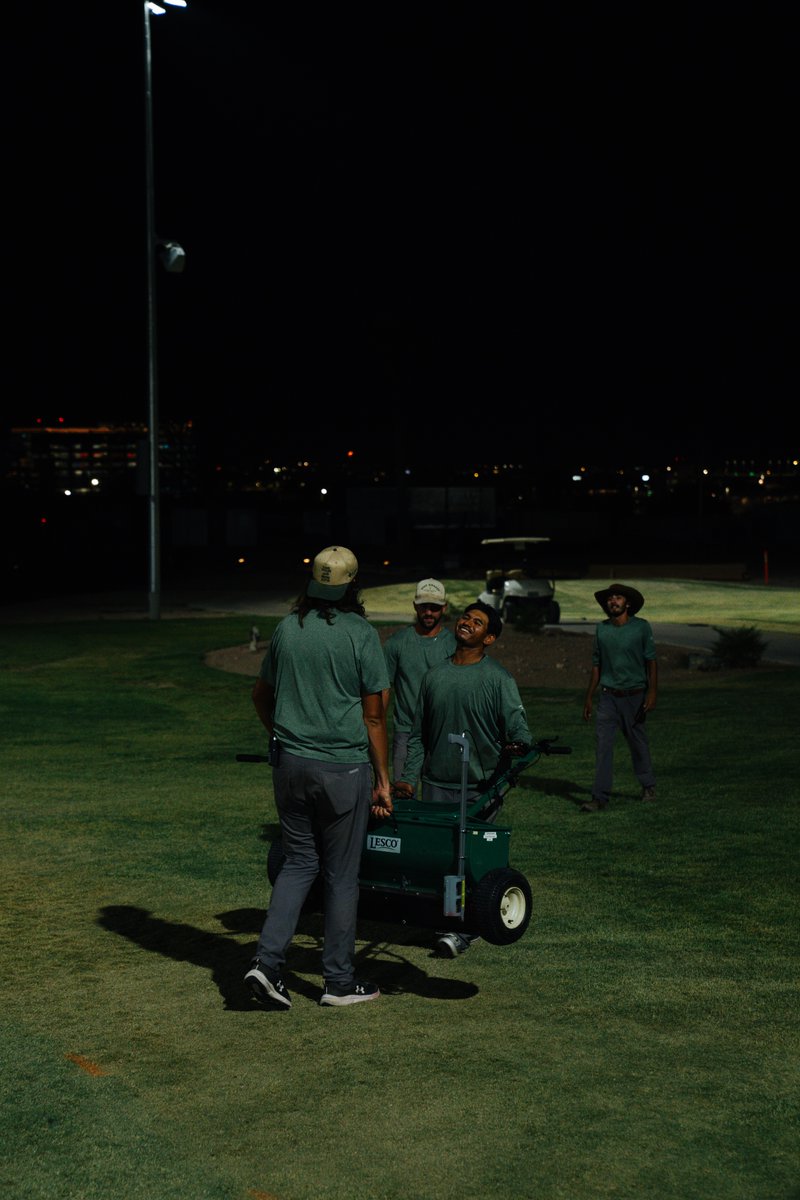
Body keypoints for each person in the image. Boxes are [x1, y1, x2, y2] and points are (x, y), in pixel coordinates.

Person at [245, 545, 393, 1008]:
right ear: (353, 585)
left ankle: (266, 964)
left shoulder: (289, 628)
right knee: (342, 877)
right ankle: (338, 982)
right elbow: (375, 717)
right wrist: (383, 777)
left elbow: (260, 695)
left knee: (298, 863)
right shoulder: (360, 634)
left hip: (290, 764)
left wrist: (285, 736)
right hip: (342, 767)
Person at [394, 600, 534, 957]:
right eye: (466, 617)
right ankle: (449, 923)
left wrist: (518, 746)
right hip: (438, 783)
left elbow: (519, 729)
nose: (467, 623)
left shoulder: (498, 679)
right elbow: (417, 736)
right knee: (442, 858)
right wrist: (408, 779)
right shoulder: (434, 676)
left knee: (473, 863)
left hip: (481, 788)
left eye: (478, 622)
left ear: (489, 638)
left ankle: (463, 929)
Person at [581, 583, 658, 812]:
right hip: (607, 697)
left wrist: (652, 691)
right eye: (610, 599)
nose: (613, 602)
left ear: (628, 603)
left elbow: (651, 662)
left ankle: (648, 786)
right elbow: (596, 665)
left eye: (618, 598)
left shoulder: (641, 628)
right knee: (603, 747)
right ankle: (599, 797)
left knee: (637, 743)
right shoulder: (602, 629)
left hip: (634, 696)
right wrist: (588, 697)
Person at [381, 578, 457, 782]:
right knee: (403, 794)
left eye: (434, 607)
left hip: (442, 732)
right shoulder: (397, 643)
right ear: (415, 606)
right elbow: (383, 689)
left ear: (444, 608)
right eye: (424, 607)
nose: (429, 613)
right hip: (405, 732)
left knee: (437, 797)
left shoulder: (454, 645)